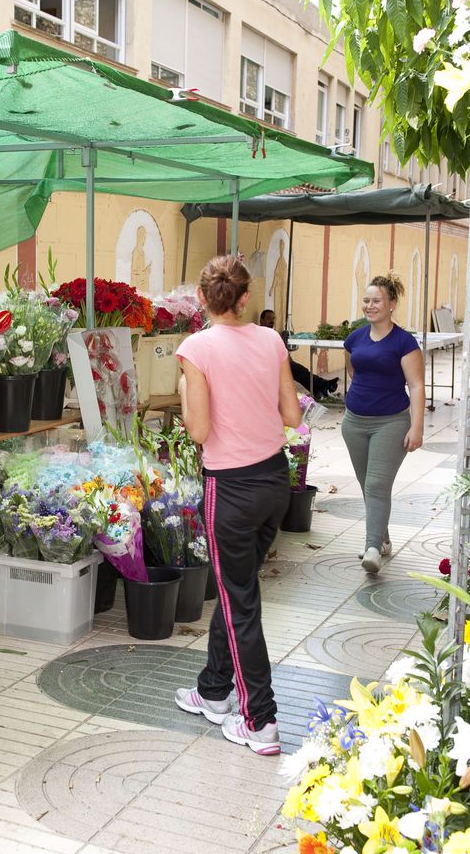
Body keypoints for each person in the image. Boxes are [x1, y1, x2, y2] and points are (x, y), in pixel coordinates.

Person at [173, 255, 302, 756]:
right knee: (236, 590)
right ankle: (212, 690)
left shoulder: (196, 348)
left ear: (202, 299)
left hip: (229, 488)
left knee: (239, 601)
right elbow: (292, 414)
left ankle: (261, 721)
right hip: (274, 482)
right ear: (246, 297)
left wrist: (187, 388)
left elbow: (199, 431)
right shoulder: (271, 340)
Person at [340, 275, 425, 574]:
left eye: (377, 301)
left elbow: (416, 385)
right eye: (366, 300)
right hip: (354, 423)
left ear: (392, 304)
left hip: (391, 422)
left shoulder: (404, 342)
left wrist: (417, 427)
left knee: (377, 484)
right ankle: (383, 537)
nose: (370, 306)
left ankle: (372, 548)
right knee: (368, 487)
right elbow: (353, 370)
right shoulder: (355, 338)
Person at [260, 309, 338, 399]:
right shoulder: (259, 333)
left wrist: (290, 362)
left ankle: (321, 387)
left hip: (278, 364)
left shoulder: (274, 334)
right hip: (267, 366)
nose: (272, 321)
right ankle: (322, 386)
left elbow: (283, 352)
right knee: (296, 369)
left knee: (298, 369)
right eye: (268, 318)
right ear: (261, 320)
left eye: (273, 318)